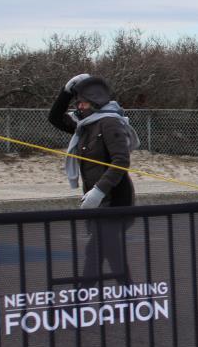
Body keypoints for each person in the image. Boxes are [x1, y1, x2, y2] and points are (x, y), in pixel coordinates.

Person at [49, 74, 139, 286]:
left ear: (96, 101)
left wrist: (99, 190)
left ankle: (82, 298)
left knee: (95, 251)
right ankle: (131, 295)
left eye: (83, 102)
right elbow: (55, 118)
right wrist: (66, 92)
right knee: (111, 252)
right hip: (98, 199)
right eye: (77, 102)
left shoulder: (109, 122)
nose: (79, 107)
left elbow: (121, 161)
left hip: (115, 199)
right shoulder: (85, 125)